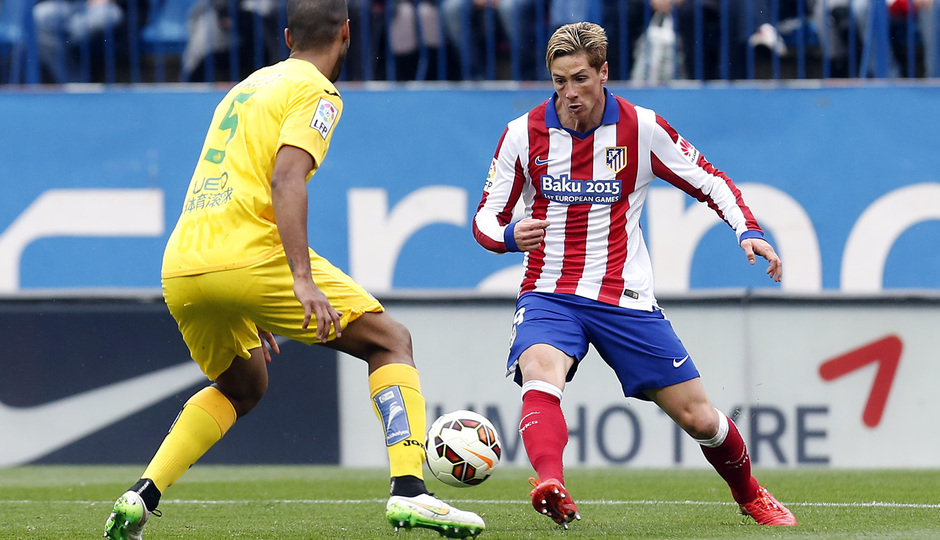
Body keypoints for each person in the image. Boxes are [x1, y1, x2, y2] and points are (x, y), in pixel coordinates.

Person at [102, 0, 485, 538]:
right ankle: (410, 491)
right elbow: (286, 179)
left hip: (186, 262)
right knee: (390, 342)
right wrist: (298, 281)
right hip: (252, 255)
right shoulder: (317, 91)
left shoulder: (246, 87)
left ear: (287, 36)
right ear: (347, 34)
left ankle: (140, 497)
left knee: (243, 385)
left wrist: (245, 293)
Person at [472, 21, 797, 529]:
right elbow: (485, 219)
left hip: (624, 297)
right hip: (549, 291)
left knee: (701, 418)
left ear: (604, 72)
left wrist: (747, 230)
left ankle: (751, 494)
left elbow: (708, 180)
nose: (570, 93)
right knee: (539, 371)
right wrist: (511, 236)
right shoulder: (522, 134)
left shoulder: (641, 129)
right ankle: (550, 483)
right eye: (559, 82)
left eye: (580, 79)